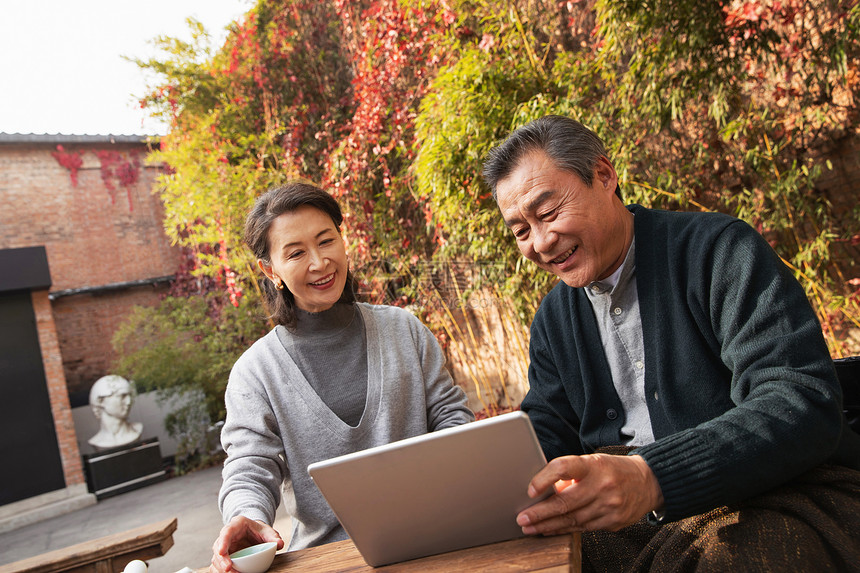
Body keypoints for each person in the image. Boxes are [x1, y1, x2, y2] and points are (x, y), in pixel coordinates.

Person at [481, 115, 860, 571]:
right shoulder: (553, 320)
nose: (540, 242)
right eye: (520, 231)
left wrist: (651, 475)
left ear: (604, 176)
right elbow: (546, 433)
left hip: (780, 496)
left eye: (547, 213)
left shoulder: (719, 251)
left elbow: (800, 400)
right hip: (636, 527)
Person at [210, 182, 474, 572]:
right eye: (296, 252)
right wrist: (245, 514)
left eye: (326, 241)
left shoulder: (404, 329)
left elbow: (452, 418)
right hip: (328, 559)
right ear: (270, 270)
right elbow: (250, 464)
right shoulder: (255, 372)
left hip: (434, 540)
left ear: (342, 240)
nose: (319, 263)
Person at [87, 374, 143, 449]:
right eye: (122, 396)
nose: (128, 402)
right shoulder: (97, 441)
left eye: (130, 396)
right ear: (101, 401)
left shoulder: (137, 430)